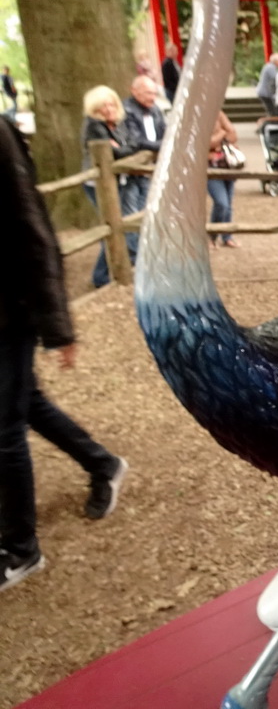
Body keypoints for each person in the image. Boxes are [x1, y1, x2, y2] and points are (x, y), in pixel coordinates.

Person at [0, 115, 128, 593]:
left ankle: (19, 549)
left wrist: (57, 328)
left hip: (8, 313)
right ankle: (103, 464)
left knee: (4, 430)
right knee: (24, 403)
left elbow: (32, 231)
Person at [80, 85, 139, 288]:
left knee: (119, 224)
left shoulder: (117, 123)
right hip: (98, 185)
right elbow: (118, 152)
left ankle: (121, 266)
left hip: (117, 180)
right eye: (103, 106)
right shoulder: (94, 126)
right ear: (94, 108)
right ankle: (101, 276)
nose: (108, 108)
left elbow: (132, 143)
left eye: (111, 104)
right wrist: (123, 148)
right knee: (111, 226)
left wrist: (124, 147)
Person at [122, 75, 167, 217]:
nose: (152, 97)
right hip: (131, 169)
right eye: (148, 93)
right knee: (132, 212)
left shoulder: (155, 110)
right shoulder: (126, 110)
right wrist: (162, 146)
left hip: (149, 168)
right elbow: (136, 140)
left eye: (154, 93)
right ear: (134, 91)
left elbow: (165, 132)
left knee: (146, 208)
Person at [207, 110, 240, 249]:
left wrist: (217, 141)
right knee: (221, 203)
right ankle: (212, 236)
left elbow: (233, 134)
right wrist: (222, 133)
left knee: (229, 203)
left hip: (227, 163)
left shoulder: (218, 113)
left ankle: (227, 236)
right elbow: (205, 143)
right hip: (210, 167)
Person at [256, 52, 278, 117]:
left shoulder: (270, 67)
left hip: (265, 92)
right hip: (266, 93)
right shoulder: (271, 68)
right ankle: (272, 124)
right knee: (273, 111)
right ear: (276, 61)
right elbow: (276, 78)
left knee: (272, 110)